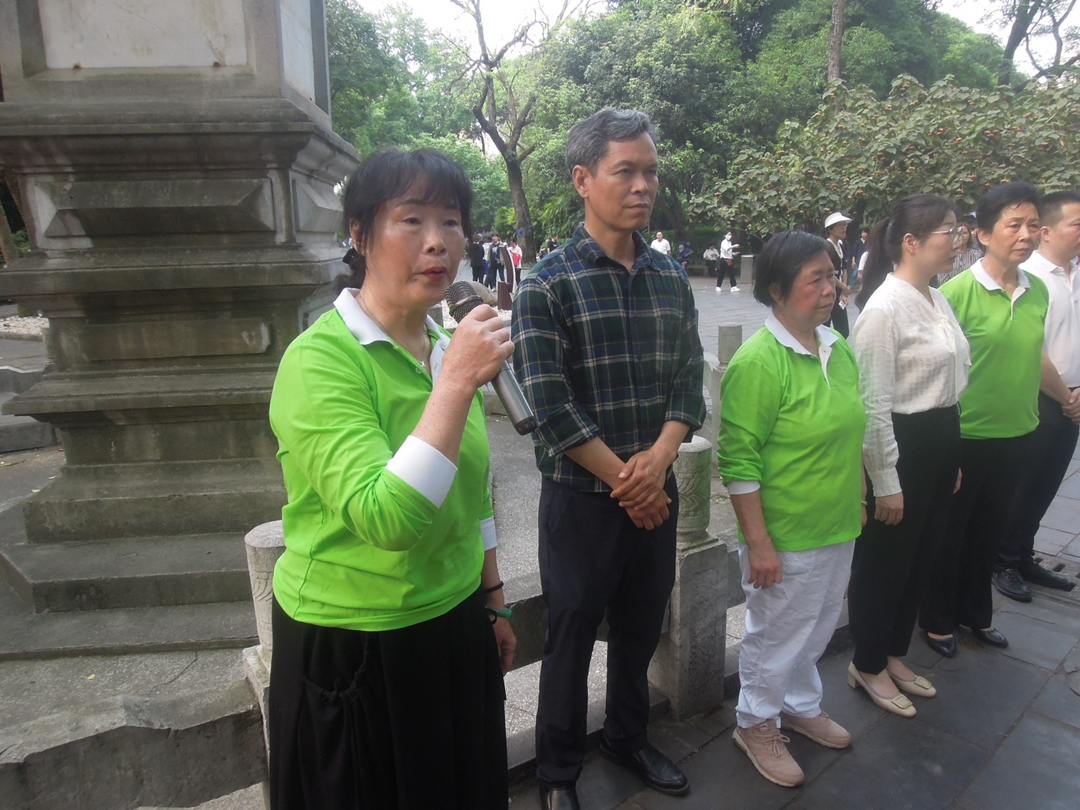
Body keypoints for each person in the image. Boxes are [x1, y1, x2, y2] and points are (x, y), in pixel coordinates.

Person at [267, 148, 517, 809]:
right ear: (359, 234)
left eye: (451, 221)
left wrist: (492, 596)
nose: (437, 242)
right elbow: (388, 517)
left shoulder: (445, 347)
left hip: (454, 619)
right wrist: (457, 382)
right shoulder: (320, 361)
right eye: (411, 220)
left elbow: (472, 488)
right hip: (357, 642)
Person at [513, 108, 705, 810]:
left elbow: (688, 380)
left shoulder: (669, 277)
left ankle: (628, 736)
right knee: (569, 636)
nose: (642, 185)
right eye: (626, 171)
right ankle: (557, 772)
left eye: (650, 171)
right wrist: (634, 481)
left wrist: (660, 458)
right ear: (583, 179)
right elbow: (550, 405)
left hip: (654, 488)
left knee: (640, 625)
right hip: (582, 502)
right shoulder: (546, 283)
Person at [718, 230, 865, 788]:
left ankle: (800, 704)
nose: (831, 288)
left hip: (836, 523)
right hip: (786, 533)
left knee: (817, 626)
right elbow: (739, 460)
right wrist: (759, 542)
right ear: (777, 290)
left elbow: (853, 428)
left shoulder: (837, 346)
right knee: (777, 634)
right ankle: (755, 721)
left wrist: (859, 496)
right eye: (816, 279)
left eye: (833, 275)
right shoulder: (759, 361)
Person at [846, 195, 970, 718]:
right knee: (885, 562)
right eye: (949, 231)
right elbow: (873, 404)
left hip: (941, 436)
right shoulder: (884, 309)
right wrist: (886, 479)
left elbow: (948, 382)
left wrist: (951, 456)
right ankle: (867, 661)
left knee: (921, 555)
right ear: (912, 242)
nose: (958, 241)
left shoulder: (936, 297)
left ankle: (894, 652)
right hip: (902, 443)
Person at [920, 182, 1049, 656]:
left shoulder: (1037, 292)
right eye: (1014, 225)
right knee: (950, 533)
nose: (1026, 234)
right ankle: (937, 620)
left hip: (1018, 432)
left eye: (1033, 225)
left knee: (990, 531)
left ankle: (977, 614)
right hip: (967, 434)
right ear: (984, 234)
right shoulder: (954, 294)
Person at [994, 190, 1080, 600]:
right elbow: (1034, 350)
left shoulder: (1074, 274)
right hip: (1042, 397)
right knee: (1022, 485)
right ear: (1048, 230)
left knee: (1047, 485)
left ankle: (1023, 554)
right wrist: (1066, 397)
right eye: (1076, 224)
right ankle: (1003, 560)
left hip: (1072, 400)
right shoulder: (1031, 278)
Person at [823, 212, 853, 337]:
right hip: (828, 290)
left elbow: (844, 268)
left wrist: (843, 292)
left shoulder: (840, 245)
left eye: (845, 224)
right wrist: (843, 287)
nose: (844, 228)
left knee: (843, 330)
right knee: (824, 326)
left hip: (839, 291)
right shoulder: (826, 246)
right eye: (840, 225)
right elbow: (828, 272)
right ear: (830, 229)